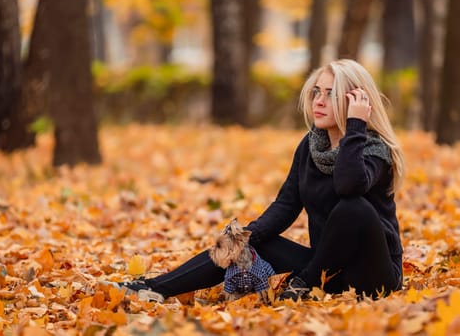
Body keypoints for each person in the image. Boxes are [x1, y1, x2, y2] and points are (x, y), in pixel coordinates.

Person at [116, 58, 405, 302]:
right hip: (327, 270)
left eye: (330, 94)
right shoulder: (310, 147)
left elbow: (348, 185)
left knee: (352, 208)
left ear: (355, 100)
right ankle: (154, 289)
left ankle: (303, 282)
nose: (318, 101)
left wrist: (355, 126)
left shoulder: (374, 149)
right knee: (247, 242)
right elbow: (286, 205)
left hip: (372, 276)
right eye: (316, 92)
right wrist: (244, 237)